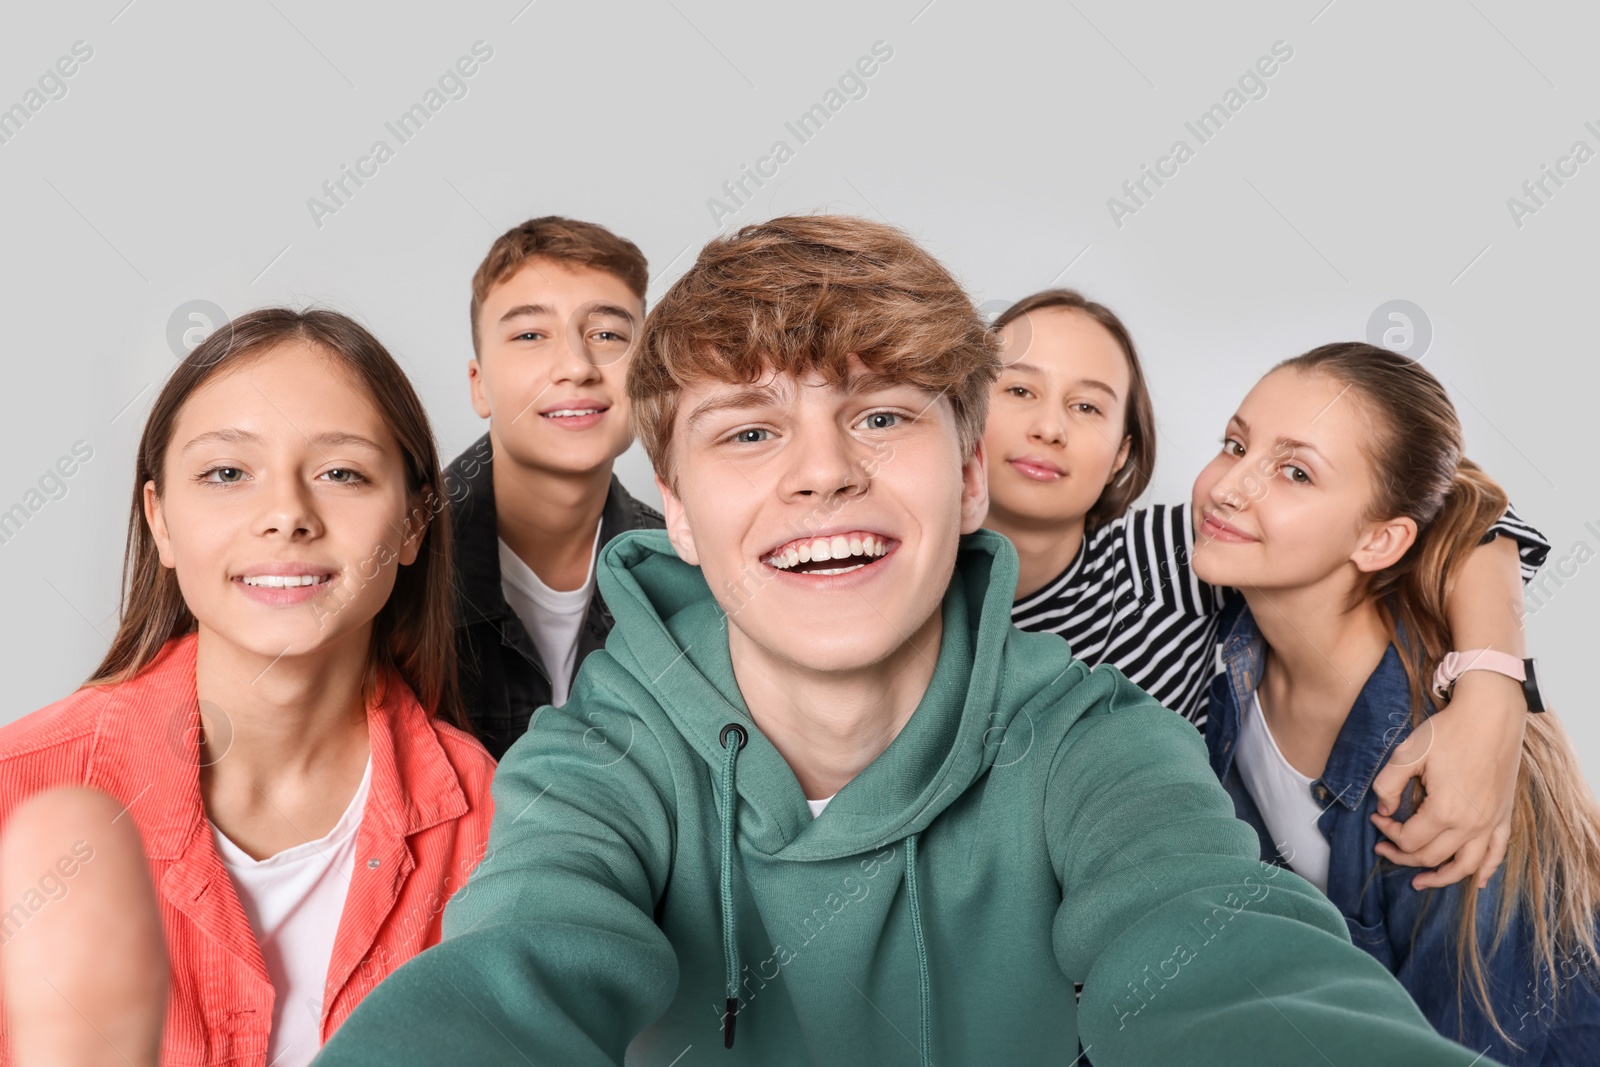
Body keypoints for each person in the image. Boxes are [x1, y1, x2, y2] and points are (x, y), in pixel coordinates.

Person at [315, 216, 1497, 1065]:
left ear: (973, 475)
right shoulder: (590, 768)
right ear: (673, 508)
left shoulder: (1101, 741)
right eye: (748, 433)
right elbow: (507, 978)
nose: (824, 470)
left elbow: (1236, 964)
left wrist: (1488, 678)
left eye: (881, 416)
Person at [0, 309, 496, 1067]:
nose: (287, 515)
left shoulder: (495, 826)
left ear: (413, 522)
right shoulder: (18, 793)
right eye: (227, 473)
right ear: (160, 520)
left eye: (341, 472)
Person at [985, 289, 1549, 891]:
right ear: (963, 407)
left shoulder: (1176, 556)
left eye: (1088, 407)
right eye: (1019, 390)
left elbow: (1458, 504)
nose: (1048, 427)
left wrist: (1493, 688)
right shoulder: (894, 587)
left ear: (1123, 451)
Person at [1193, 342, 1599, 1064]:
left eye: (1294, 472)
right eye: (1234, 444)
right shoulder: (1224, 630)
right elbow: (1468, 502)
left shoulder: (1442, 789)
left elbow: (1487, 1049)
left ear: (1381, 538)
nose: (1229, 487)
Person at [448, 217, 665, 760]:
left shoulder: (686, 566)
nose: (576, 366)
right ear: (480, 387)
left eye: (608, 335)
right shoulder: (397, 563)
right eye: (530, 335)